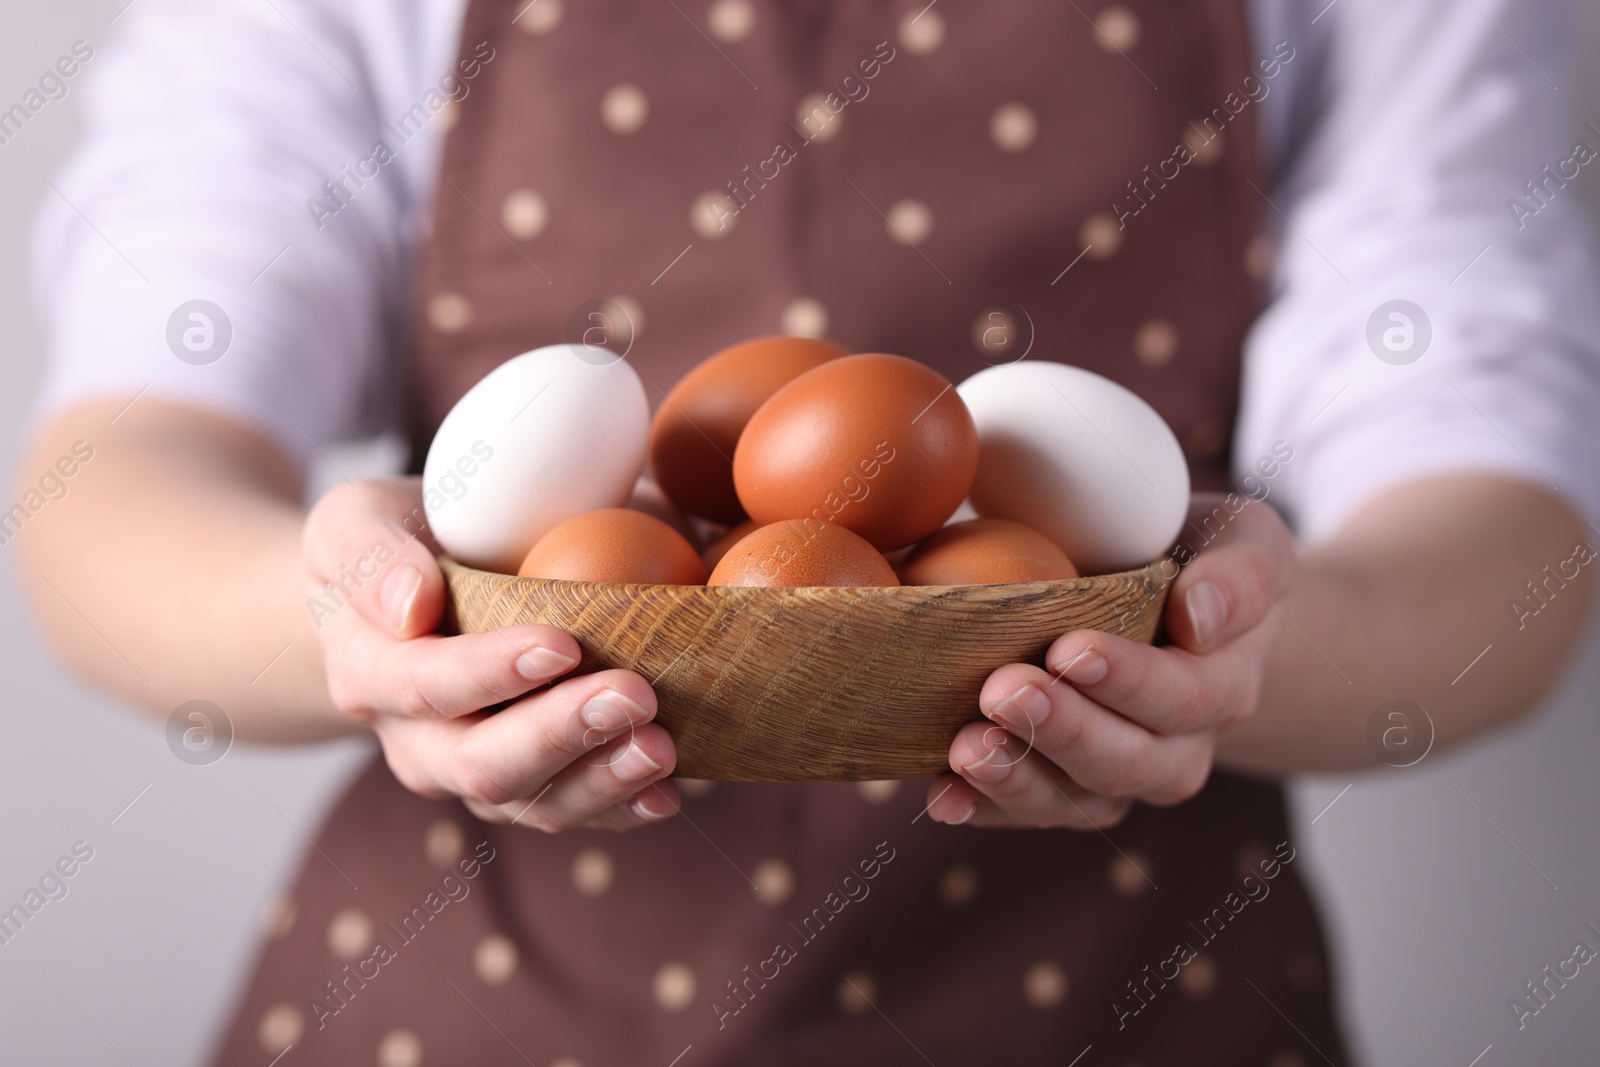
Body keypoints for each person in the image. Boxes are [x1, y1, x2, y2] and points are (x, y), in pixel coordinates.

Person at [16, 0, 1599, 1063]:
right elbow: (115, 478)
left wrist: (1219, 641)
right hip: (464, 1003)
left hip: (1129, 1004)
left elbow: (1500, 539)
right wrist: (368, 627)